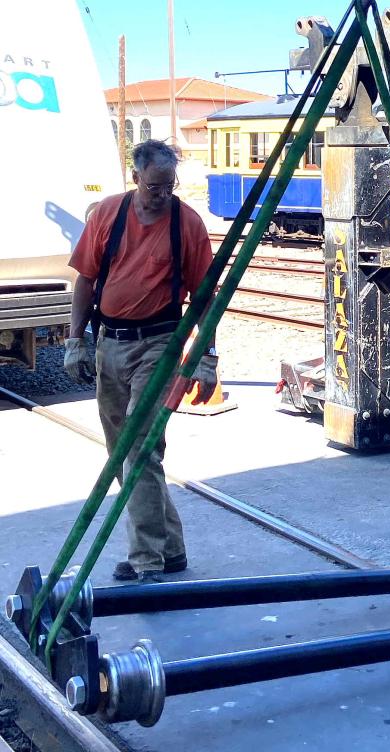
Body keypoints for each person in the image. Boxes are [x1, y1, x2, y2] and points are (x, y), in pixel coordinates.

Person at [63, 140, 219, 583]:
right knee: (125, 452)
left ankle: (146, 562)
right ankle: (171, 550)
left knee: (140, 447)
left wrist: (206, 356)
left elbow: (205, 297)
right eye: (155, 187)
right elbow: (85, 280)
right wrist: (75, 341)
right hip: (110, 342)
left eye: (169, 187)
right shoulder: (108, 216)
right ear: (135, 179)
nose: (163, 195)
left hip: (160, 344)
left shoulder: (186, 224)